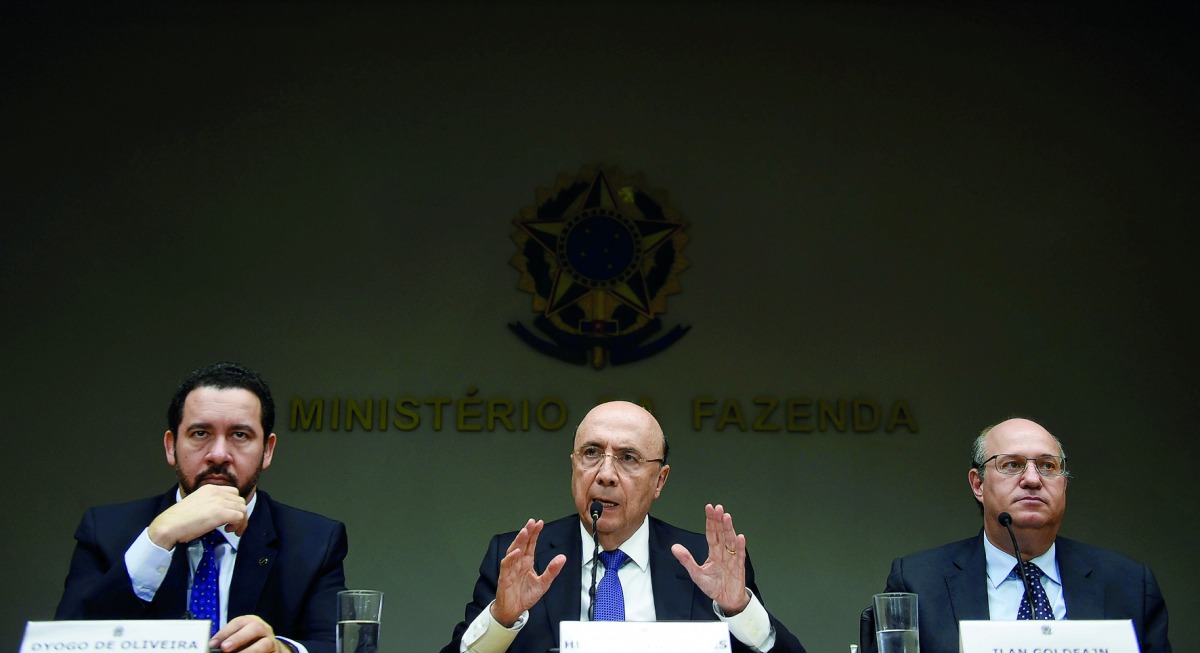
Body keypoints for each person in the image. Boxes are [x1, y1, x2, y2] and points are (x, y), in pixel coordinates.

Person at [440, 400, 806, 653]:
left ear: (660, 480)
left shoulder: (704, 564)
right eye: (591, 453)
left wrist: (739, 610)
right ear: (573, 466)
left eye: (628, 458)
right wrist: (502, 619)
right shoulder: (520, 559)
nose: (606, 475)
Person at [56, 362, 348, 653]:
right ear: (171, 446)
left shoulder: (315, 541)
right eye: (200, 433)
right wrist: (156, 540)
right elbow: (66, 642)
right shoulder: (105, 530)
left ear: (267, 450)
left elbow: (337, 647)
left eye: (239, 435)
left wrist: (283, 651)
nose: (219, 454)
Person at [877, 417, 1170, 653]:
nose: (1032, 479)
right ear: (978, 484)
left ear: (1064, 485)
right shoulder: (919, 582)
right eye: (1012, 464)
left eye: (1047, 466)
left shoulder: (1129, 583)